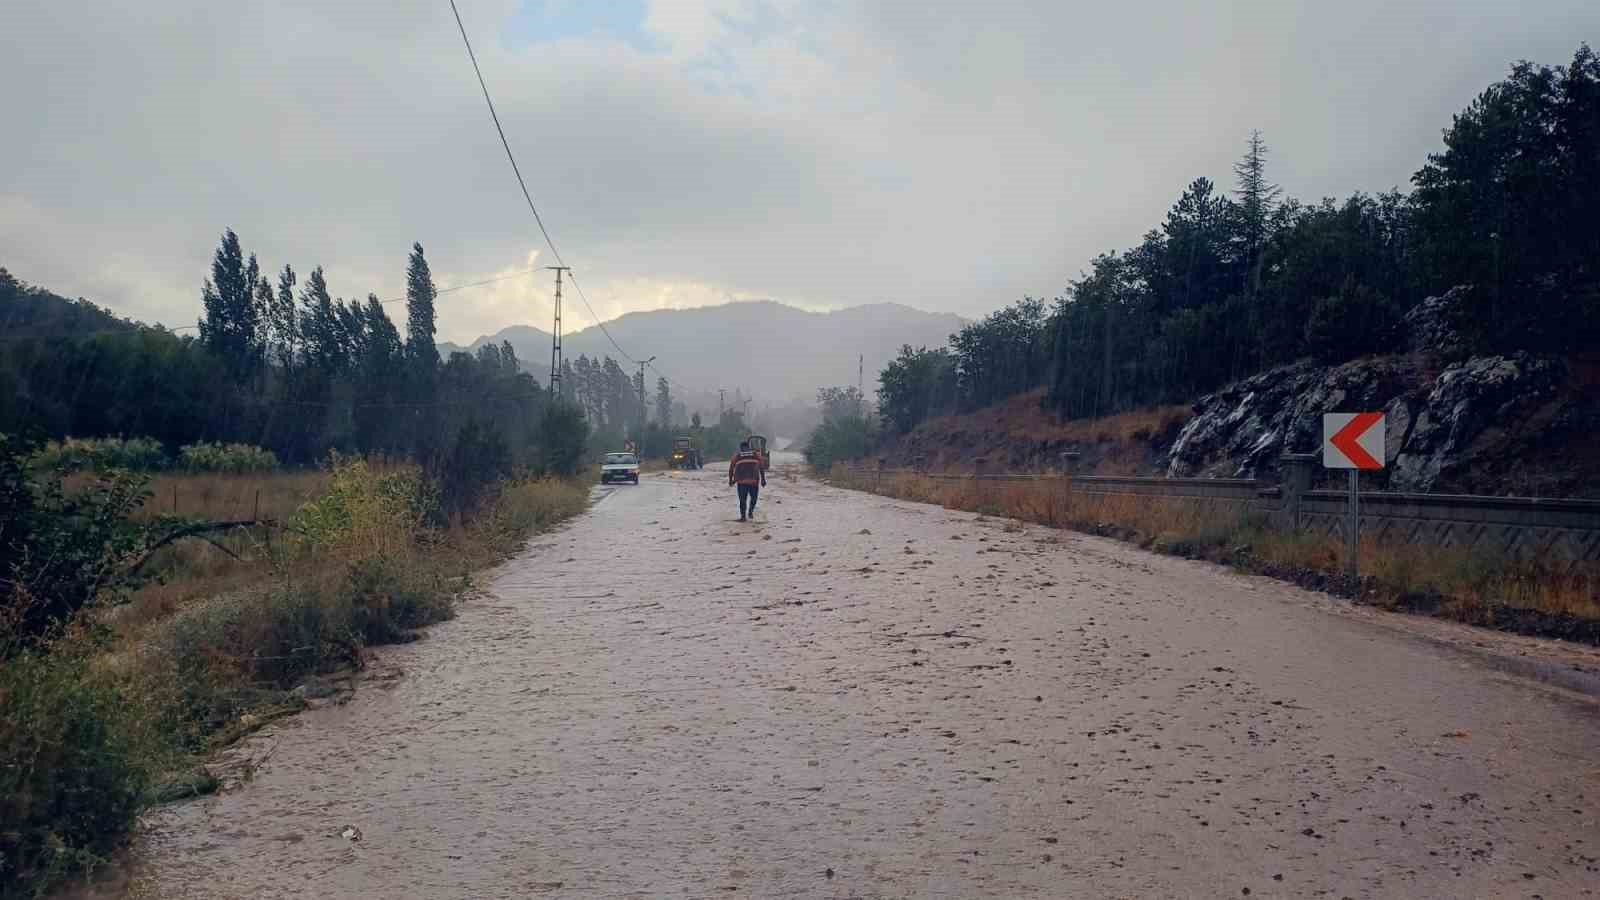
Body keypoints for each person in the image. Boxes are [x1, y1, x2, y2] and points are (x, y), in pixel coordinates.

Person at [728, 440, 766, 521]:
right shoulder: (756, 454)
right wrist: (763, 479)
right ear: (749, 447)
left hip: (742, 482)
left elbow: (731, 469)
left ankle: (743, 517)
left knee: (742, 500)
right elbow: (761, 467)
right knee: (754, 499)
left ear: (741, 448)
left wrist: (731, 480)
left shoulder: (737, 456)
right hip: (754, 482)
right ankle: (750, 512)